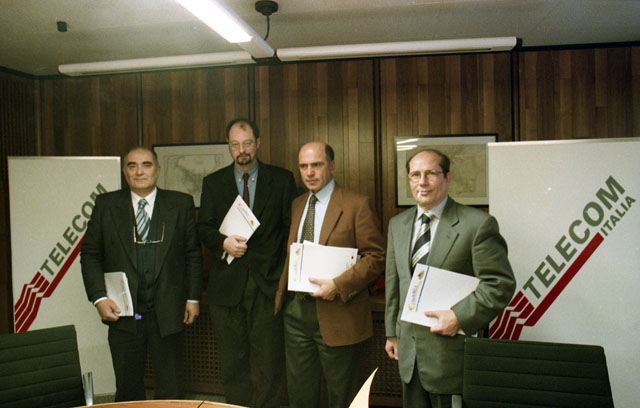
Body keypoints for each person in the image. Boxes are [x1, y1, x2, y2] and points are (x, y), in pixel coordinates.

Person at [384, 148, 516, 407]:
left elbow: (499, 284)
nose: (422, 182)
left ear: (448, 178)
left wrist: (459, 316)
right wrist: (392, 333)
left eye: (431, 174)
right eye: (415, 175)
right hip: (409, 356)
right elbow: (395, 282)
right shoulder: (397, 225)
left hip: (451, 356)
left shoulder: (477, 224)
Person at [80, 146, 202, 401]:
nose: (139, 171)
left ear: (157, 170)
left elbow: (192, 254)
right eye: (132, 165)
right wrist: (99, 298)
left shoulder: (180, 203)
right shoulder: (106, 205)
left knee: (171, 387)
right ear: (125, 172)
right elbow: (90, 254)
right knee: (127, 387)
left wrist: (193, 297)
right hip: (123, 312)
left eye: (146, 165)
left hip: (168, 310)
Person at [274, 141, 386, 408]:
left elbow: (376, 257)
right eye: (304, 166)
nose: (309, 172)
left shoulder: (357, 204)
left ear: (332, 166)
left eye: (316, 165)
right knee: (300, 394)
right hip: (296, 312)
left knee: (342, 395)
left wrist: (338, 284)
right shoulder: (298, 204)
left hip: (338, 312)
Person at [197, 118, 296, 407]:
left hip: (267, 285)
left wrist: (282, 275)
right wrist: (223, 243)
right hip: (226, 286)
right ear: (228, 147)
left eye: (248, 143)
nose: (242, 150)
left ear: (258, 143)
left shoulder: (282, 179)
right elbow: (204, 227)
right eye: (235, 144)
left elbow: (290, 229)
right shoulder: (213, 183)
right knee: (232, 362)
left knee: (270, 363)